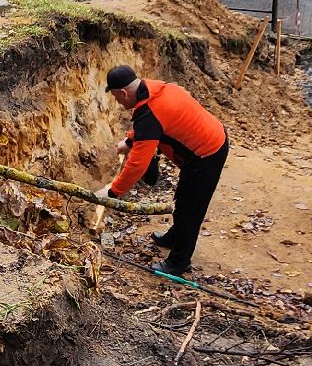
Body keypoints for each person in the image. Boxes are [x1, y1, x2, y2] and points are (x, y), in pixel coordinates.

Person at [96, 65, 229, 277]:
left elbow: (138, 164)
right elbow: (151, 126)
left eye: (116, 97)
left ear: (123, 93)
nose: (117, 102)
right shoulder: (153, 89)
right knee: (183, 197)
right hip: (206, 143)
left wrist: (112, 191)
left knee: (190, 210)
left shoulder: (150, 113)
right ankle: (176, 236)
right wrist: (130, 141)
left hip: (208, 153)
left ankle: (179, 262)